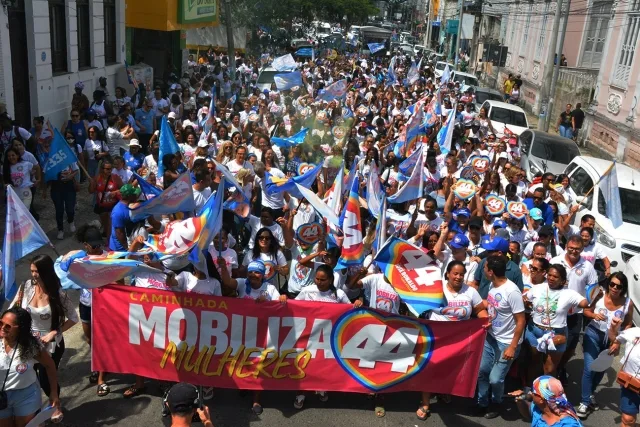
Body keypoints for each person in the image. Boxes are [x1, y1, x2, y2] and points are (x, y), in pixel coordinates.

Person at [417, 260, 488, 420]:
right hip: (435, 337)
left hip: (458, 341)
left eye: (461, 274)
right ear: (447, 274)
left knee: (449, 370)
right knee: (429, 370)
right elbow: (418, 305)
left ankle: (442, 391)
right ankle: (425, 402)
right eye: (455, 273)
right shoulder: (436, 288)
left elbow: (480, 310)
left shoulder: (470, 291)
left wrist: (485, 321)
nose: (458, 277)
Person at [12, 255, 78, 423]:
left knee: (46, 379)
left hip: (51, 345)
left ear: (45, 272)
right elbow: (14, 309)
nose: (33, 275)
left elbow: (73, 318)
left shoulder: (58, 294)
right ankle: (30, 410)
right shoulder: (26, 287)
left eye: (36, 271)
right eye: (32, 271)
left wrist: (54, 332)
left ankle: (55, 403)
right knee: (27, 376)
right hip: (28, 342)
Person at [217, 259, 286, 414]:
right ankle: (244, 385)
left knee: (258, 366)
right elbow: (228, 282)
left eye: (257, 272)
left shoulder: (270, 288)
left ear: (262, 275)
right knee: (242, 362)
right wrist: (223, 268)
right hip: (241, 332)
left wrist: (278, 299)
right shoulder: (242, 283)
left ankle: (256, 400)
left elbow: (279, 306)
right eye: (251, 271)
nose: (253, 275)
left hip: (262, 335)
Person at [523, 264, 599, 379]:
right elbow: (525, 298)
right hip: (534, 331)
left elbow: (586, 304)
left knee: (550, 369)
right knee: (534, 363)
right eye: (549, 275)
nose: (551, 278)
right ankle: (530, 390)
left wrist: (595, 296)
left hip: (556, 334)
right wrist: (526, 303)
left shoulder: (569, 293)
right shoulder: (538, 288)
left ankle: (547, 394)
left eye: (555, 276)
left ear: (563, 281)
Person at [476, 255, 526, 419]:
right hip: (490, 339)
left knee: (495, 379)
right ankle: (482, 403)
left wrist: (512, 347)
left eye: (484, 268)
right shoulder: (492, 285)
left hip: (506, 343)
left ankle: (496, 403)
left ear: (490, 272)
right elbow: (492, 308)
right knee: (482, 371)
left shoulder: (512, 292)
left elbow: (521, 321)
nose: (483, 269)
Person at [578, 272, 634, 418]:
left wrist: (618, 340)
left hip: (612, 339)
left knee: (601, 368)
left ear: (623, 288)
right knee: (589, 368)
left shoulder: (628, 303)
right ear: (608, 284)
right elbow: (586, 311)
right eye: (612, 284)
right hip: (593, 333)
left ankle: (590, 394)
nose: (615, 288)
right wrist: (594, 315)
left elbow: (628, 324)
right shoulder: (599, 295)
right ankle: (584, 402)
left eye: (619, 286)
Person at [0, 307, 60, 427]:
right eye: (1, 323)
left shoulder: (31, 345)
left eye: (8, 326)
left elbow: (49, 365)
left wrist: (53, 392)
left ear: (20, 329)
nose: (2, 328)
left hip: (26, 396)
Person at [509, 375, 582, 426]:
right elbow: (529, 416)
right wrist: (520, 401)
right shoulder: (540, 407)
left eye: (533, 392)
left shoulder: (568, 424)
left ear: (541, 399)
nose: (530, 393)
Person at [608, 315, 640, 427]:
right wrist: (613, 328)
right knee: (628, 419)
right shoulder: (634, 332)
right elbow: (614, 339)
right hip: (630, 384)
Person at [89, 159, 123, 244]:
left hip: (113, 206)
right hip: (102, 206)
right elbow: (90, 191)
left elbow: (123, 189)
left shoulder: (115, 178)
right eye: (107, 169)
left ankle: (109, 243)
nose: (109, 170)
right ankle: (109, 240)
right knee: (106, 226)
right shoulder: (97, 178)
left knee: (110, 225)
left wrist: (115, 192)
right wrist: (91, 183)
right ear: (102, 169)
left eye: (110, 168)